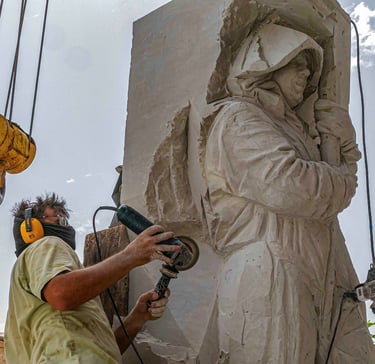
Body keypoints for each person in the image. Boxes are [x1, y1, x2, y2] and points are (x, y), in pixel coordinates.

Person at [203, 23, 375, 363]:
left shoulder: (293, 130)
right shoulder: (239, 118)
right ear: (269, 63)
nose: (306, 73)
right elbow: (293, 187)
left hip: (319, 268)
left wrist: (345, 151)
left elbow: (329, 196)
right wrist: (341, 172)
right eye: (297, 63)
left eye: (309, 67)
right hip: (272, 270)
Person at [4, 192, 180, 363]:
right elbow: (61, 294)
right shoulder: (46, 244)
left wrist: (137, 317)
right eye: (60, 219)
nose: (67, 227)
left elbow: (98, 351)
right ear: (30, 228)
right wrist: (131, 256)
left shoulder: (33, 306)